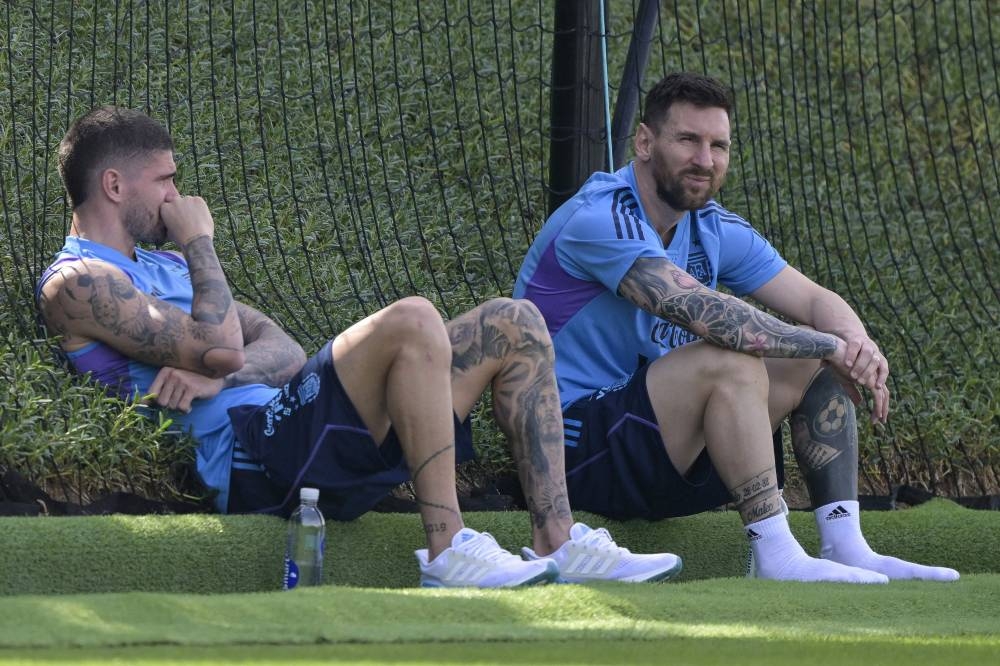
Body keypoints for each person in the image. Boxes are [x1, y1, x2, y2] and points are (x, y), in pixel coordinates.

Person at [36, 105, 683, 589]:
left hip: (289, 426)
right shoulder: (79, 281)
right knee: (411, 320)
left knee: (512, 323)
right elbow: (221, 343)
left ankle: (557, 542)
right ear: (115, 186)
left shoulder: (167, 271)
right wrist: (200, 244)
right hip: (250, 459)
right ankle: (446, 548)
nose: (180, 198)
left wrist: (216, 373)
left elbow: (277, 348)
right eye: (166, 182)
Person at [514, 72, 958, 583]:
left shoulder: (710, 226)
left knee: (813, 358)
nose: (705, 159)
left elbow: (815, 298)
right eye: (688, 140)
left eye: (718, 144)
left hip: (657, 445)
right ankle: (776, 555)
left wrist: (856, 346)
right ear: (643, 142)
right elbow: (710, 316)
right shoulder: (600, 216)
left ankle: (844, 544)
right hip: (570, 452)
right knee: (730, 356)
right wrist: (829, 342)